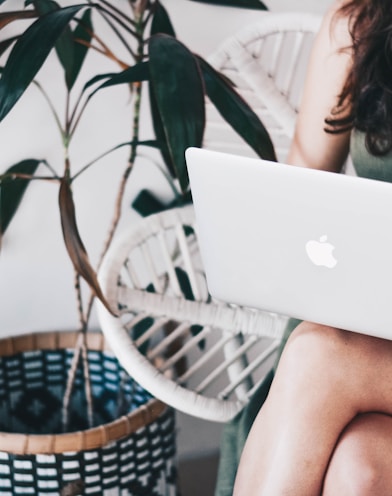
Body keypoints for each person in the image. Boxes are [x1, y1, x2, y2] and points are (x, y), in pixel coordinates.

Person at [233, 0, 392, 494]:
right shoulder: (360, 26)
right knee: (357, 471)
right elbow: (305, 173)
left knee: (317, 356)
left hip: (344, 357)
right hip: (374, 323)